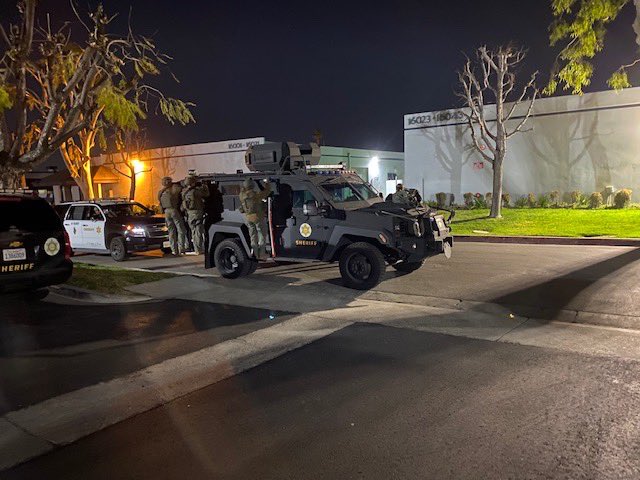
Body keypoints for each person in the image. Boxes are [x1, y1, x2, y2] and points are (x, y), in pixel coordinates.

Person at [239, 177, 271, 260]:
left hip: (248, 218)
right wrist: (267, 183)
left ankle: (255, 254)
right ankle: (262, 254)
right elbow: (267, 192)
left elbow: (242, 190)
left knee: (253, 236)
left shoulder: (242, 195)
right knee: (262, 235)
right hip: (257, 218)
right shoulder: (255, 195)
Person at [158, 176, 188, 255]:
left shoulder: (161, 192)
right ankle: (181, 248)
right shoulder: (174, 189)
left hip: (166, 212)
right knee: (181, 230)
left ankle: (174, 249)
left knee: (171, 231)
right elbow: (181, 189)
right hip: (174, 210)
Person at [181, 175, 210, 255]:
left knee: (193, 231)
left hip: (189, 214)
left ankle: (195, 248)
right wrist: (205, 186)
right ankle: (198, 249)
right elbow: (207, 194)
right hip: (197, 213)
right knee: (198, 232)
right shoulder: (196, 191)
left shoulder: (184, 192)